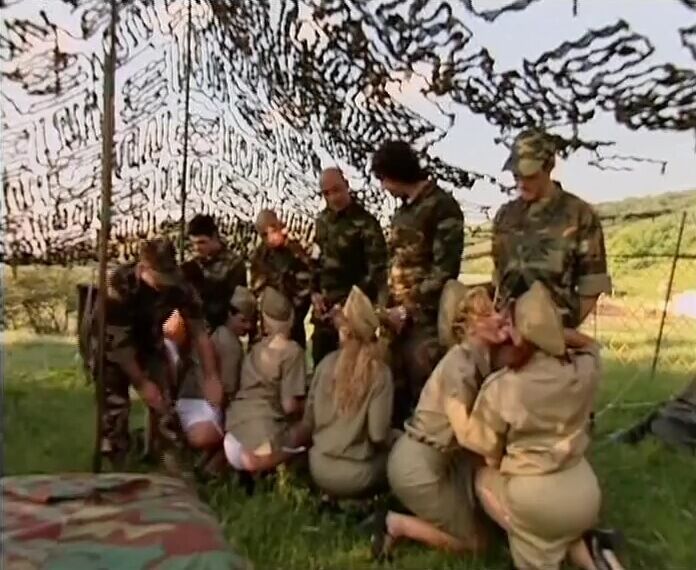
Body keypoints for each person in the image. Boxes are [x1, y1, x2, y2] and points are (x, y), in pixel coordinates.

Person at [456, 281, 623, 570]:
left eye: (511, 325)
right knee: (561, 527)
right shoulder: (583, 369)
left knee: (482, 479)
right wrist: (551, 332)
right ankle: (594, 557)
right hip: (585, 494)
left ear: (520, 335)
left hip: (536, 501)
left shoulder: (503, 387)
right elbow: (590, 345)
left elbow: (485, 449)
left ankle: (533, 542)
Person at [372, 286, 507, 559]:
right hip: (419, 467)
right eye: (488, 314)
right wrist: (501, 452)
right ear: (469, 327)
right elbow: (466, 433)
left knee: (485, 529)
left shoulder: (473, 358)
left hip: (435, 460)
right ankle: (396, 524)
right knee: (478, 544)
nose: (499, 318)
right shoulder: (460, 366)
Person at [84, 238, 223, 470]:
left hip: (149, 341)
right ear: (143, 269)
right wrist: (141, 383)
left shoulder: (179, 284)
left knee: (163, 402)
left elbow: (199, 331)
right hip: (112, 346)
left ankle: (166, 461)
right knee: (115, 407)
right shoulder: (119, 285)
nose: (165, 286)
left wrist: (211, 376)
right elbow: (120, 346)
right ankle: (117, 464)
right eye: (160, 280)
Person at [371, 140, 465, 426]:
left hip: (425, 321)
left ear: (396, 174)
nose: (384, 187)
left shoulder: (442, 206)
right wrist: (386, 308)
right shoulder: (403, 213)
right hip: (395, 321)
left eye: (384, 179)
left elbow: (444, 270)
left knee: (424, 389)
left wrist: (408, 309)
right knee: (391, 391)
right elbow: (393, 264)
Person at [492, 129, 612, 327]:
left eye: (530, 176)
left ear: (548, 167)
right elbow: (499, 278)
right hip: (506, 330)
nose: (521, 183)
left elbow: (592, 285)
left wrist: (561, 330)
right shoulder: (505, 216)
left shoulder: (578, 214)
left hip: (555, 331)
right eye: (516, 175)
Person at [300, 286, 393, 499]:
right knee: (400, 457)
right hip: (356, 474)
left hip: (318, 466)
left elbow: (308, 419)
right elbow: (378, 435)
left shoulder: (325, 364)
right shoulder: (380, 373)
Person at [223, 287, 307, 473]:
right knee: (308, 425)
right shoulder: (292, 352)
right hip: (258, 447)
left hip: (233, 435)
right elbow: (289, 406)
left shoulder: (256, 349)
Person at [311, 168, 388, 366]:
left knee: (354, 365)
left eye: (336, 190)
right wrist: (315, 293)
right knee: (322, 362)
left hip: (353, 310)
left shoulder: (366, 223)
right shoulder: (322, 222)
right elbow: (316, 260)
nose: (333, 197)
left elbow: (377, 271)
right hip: (326, 310)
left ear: (346, 186)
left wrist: (349, 303)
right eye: (326, 193)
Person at [167, 286, 257, 450]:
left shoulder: (211, 332)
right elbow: (229, 390)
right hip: (205, 410)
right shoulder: (230, 344)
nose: (248, 327)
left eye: (251, 321)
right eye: (243, 320)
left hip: (185, 402)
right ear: (230, 314)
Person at [250, 209, 313, 348]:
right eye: (264, 234)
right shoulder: (260, 256)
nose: (270, 238)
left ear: (280, 226)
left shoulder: (296, 252)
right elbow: (256, 288)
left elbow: (306, 288)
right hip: (267, 322)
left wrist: (291, 316)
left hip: (292, 321)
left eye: (273, 230)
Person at [184, 214, 247, 330]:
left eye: (201, 242)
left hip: (223, 327)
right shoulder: (194, 263)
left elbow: (236, 304)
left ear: (214, 237)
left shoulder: (234, 264)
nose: (197, 248)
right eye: (193, 243)